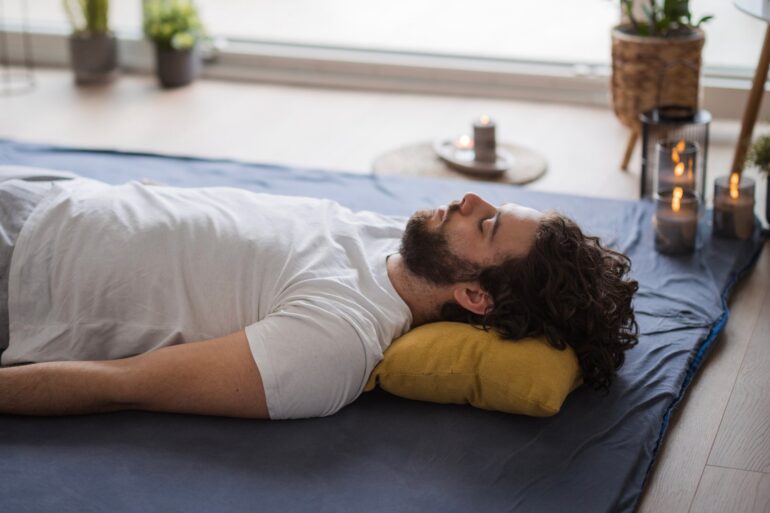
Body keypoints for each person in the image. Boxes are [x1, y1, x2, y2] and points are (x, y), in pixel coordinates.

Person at [0, 171, 638, 420]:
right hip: (54, 191)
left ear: (474, 295)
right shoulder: (401, 241)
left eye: (488, 225)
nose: (470, 198)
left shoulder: (335, 340)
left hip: (22, 270)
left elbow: (120, 383)